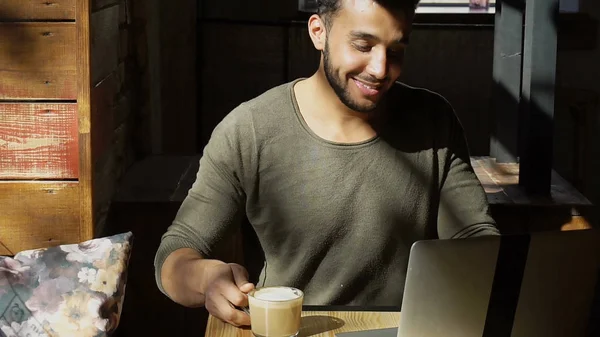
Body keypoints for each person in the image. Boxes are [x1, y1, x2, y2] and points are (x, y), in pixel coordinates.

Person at [154, 0, 500, 328]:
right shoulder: (250, 130)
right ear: (318, 32)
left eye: (395, 51)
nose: (380, 69)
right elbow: (175, 254)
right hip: (292, 330)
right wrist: (207, 278)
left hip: (405, 329)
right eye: (363, 46)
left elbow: (474, 235)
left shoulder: (434, 121)